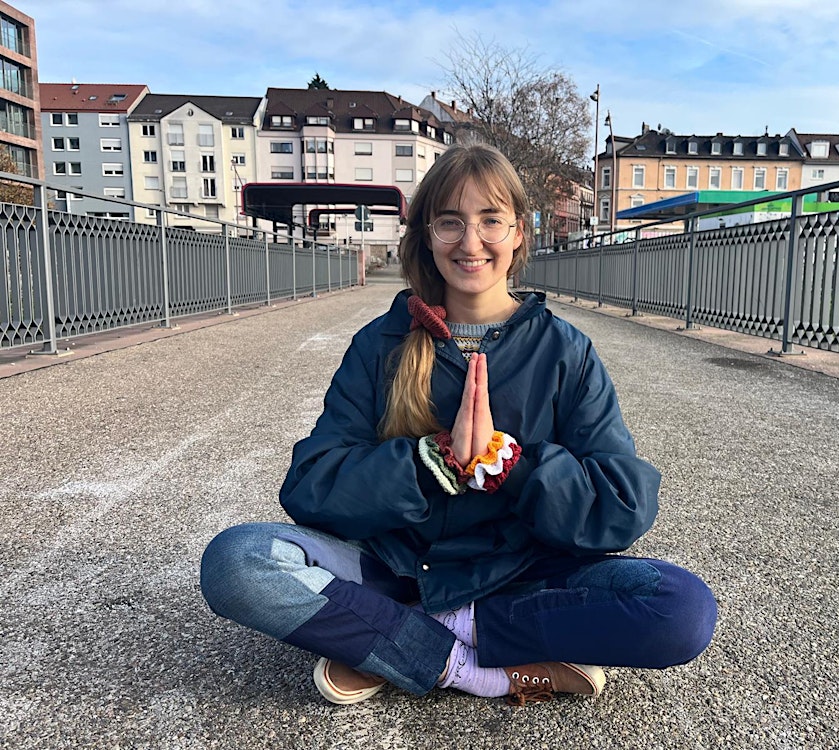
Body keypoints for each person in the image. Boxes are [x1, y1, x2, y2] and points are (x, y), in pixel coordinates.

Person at [200, 144, 716, 707]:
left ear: (519, 233)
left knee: (680, 611)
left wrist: (513, 468)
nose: (471, 243)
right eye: (450, 222)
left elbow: (621, 506)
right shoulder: (381, 344)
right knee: (237, 561)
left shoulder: (565, 351)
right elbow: (310, 486)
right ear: (427, 235)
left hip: (520, 572)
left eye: (491, 220)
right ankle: (472, 667)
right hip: (392, 567)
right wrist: (429, 465)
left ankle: (393, 634)